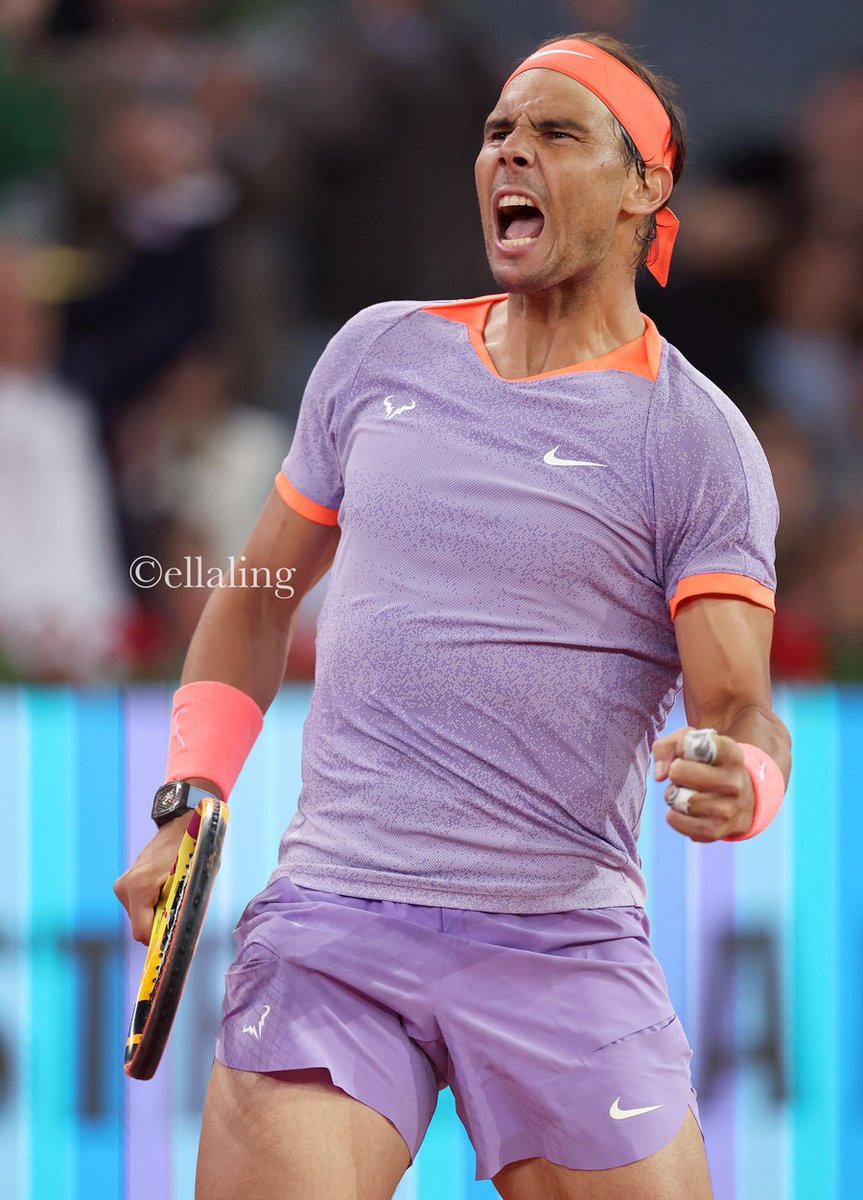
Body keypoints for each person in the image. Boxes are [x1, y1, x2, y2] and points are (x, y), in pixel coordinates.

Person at [114, 32, 791, 1200]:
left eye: (554, 133)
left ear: (645, 187)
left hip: (559, 942)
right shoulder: (377, 352)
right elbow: (258, 598)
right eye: (495, 132)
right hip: (335, 925)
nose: (509, 154)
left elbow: (736, 704)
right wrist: (191, 801)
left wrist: (746, 780)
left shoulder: (693, 441)